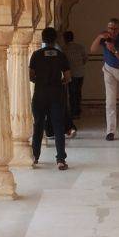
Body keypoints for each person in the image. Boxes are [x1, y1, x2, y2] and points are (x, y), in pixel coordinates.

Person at [29, 27, 71, 170]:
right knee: (58, 126)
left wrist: (40, 80)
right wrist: (59, 82)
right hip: (56, 94)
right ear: (55, 39)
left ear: (43, 39)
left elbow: (31, 76)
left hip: (40, 94)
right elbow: (68, 77)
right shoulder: (60, 55)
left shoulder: (36, 55)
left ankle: (35, 156)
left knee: (38, 125)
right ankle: (60, 159)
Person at [90, 17, 119, 140]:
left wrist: (113, 49)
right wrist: (99, 37)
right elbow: (92, 49)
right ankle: (110, 131)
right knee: (110, 101)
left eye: (115, 29)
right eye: (110, 28)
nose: (112, 31)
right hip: (109, 70)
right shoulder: (104, 37)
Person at [63, 30, 87, 120]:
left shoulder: (64, 48)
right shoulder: (80, 47)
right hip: (80, 73)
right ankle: (77, 111)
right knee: (78, 92)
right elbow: (85, 59)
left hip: (70, 74)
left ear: (65, 39)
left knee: (72, 93)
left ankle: (73, 112)